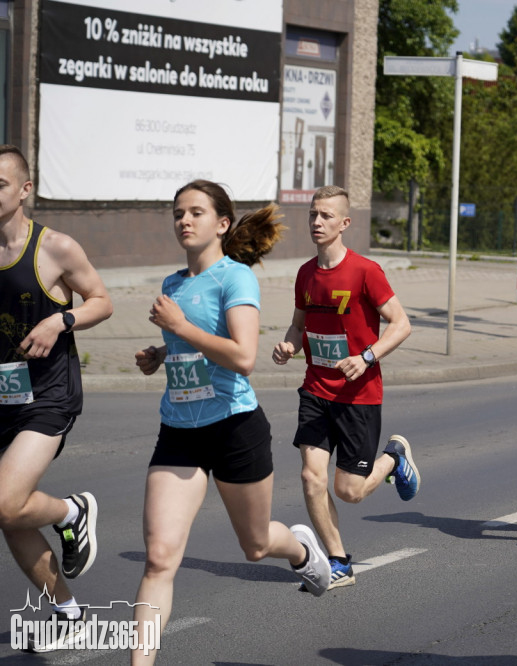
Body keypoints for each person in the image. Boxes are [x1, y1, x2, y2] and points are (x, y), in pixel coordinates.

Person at [132, 180, 331, 664]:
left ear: (221, 224)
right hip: (178, 429)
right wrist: (162, 352)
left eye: (196, 212)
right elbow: (193, 345)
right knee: (159, 558)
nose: (184, 220)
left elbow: (243, 357)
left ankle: (302, 551)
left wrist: (179, 328)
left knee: (257, 544)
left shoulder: (235, 278)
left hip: (233, 427)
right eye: (178, 212)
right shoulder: (172, 283)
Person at [272, 185, 416, 591]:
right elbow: (299, 327)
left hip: (358, 396)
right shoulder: (305, 273)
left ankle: (394, 457)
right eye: (313, 215)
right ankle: (339, 562)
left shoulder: (365, 271)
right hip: (316, 390)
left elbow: (401, 324)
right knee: (310, 477)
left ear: (344, 223)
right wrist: (288, 345)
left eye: (326, 216)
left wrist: (367, 357)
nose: (317, 222)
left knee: (349, 491)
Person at [0, 144, 113, 651]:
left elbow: (103, 301)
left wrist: (59, 318)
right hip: (1, 394)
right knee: (7, 512)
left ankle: (70, 513)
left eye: (0, 184)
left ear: (25, 190)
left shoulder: (55, 248)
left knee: (3, 502)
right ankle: (70, 613)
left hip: (47, 395)